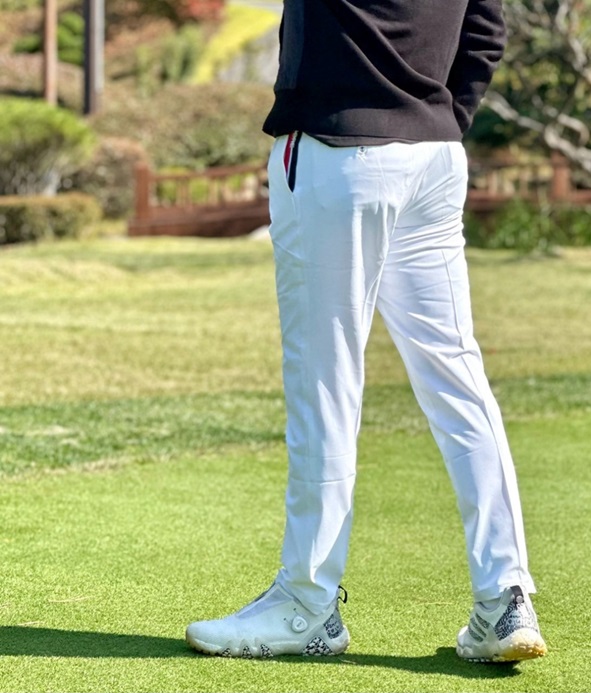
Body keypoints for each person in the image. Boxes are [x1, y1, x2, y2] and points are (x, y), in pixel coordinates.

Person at [185, 0, 548, 663]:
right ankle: (505, 597)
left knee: (325, 384)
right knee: (457, 378)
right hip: (433, 156)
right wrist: (439, 120)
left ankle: (306, 603)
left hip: (337, 153)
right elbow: (486, 29)